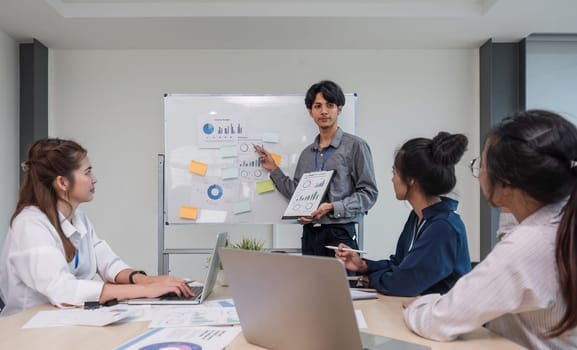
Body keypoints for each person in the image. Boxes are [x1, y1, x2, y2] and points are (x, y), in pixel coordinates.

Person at [403, 110, 577, 349]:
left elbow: (439, 321)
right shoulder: (555, 223)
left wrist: (420, 305)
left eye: (480, 165)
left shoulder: (526, 245)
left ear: (507, 180)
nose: (479, 175)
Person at [0, 138, 193, 317]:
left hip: (64, 320)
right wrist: (145, 291)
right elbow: (63, 290)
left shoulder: (78, 218)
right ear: (63, 182)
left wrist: (149, 281)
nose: (94, 179)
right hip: (28, 329)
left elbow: (108, 264)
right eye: (87, 172)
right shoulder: (30, 225)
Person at [335, 132, 471, 296]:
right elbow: (399, 264)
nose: (392, 179)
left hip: (443, 318)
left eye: (395, 172)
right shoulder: (418, 216)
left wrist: (369, 278)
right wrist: (364, 266)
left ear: (411, 179)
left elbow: (403, 283)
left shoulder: (443, 227)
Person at [254, 80, 378, 256]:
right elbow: (296, 193)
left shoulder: (355, 146)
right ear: (310, 111)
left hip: (340, 234)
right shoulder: (306, 154)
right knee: (310, 284)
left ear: (339, 108)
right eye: (318, 106)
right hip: (311, 234)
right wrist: (274, 169)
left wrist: (333, 207)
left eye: (330, 105)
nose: (324, 111)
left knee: (342, 284)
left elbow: (369, 193)